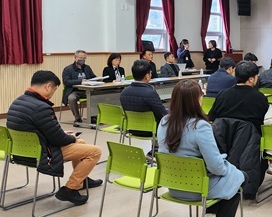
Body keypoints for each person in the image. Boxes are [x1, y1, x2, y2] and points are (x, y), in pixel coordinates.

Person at [157, 80, 245, 217]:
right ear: (196, 100)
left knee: (229, 172)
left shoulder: (163, 122)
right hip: (196, 189)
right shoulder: (201, 126)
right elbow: (216, 167)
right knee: (239, 176)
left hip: (173, 186)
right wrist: (226, 164)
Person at [6, 71, 102, 205]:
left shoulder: (18, 101)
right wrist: (71, 138)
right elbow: (58, 139)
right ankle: (70, 189)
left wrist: (64, 135)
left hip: (19, 151)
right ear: (48, 86)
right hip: (43, 154)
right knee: (95, 151)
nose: (52, 94)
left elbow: (40, 129)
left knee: (82, 142)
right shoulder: (41, 107)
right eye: (53, 90)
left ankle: (82, 179)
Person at [120, 60, 168, 160]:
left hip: (132, 129)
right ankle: (158, 150)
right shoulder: (150, 93)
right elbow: (162, 114)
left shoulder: (123, 92)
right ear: (147, 76)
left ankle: (154, 150)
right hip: (150, 131)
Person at [208, 61, 269, 136]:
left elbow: (212, 117)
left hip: (224, 141)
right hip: (250, 142)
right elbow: (264, 122)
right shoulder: (259, 98)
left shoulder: (222, 95)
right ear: (251, 79)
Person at [62, 49, 97, 126]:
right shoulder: (68, 69)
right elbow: (66, 82)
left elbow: (93, 77)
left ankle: (93, 116)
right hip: (75, 91)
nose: (82, 60)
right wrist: (80, 81)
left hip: (88, 90)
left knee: (97, 96)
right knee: (71, 98)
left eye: (84, 58)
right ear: (75, 57)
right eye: (80, 58)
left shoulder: (87, 68)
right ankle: (77, 118)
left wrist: (98, 79)